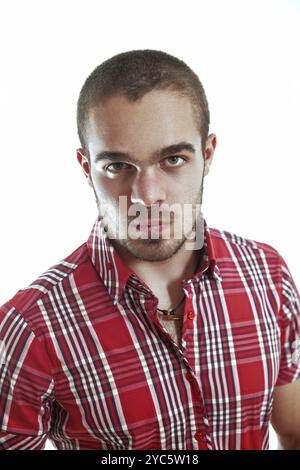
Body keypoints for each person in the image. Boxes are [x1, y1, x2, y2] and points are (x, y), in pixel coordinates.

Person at [0, 49, 299, 451]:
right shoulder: (28, 329)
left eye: (173, 159)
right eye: (118, 166)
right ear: (86, 168)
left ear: (207, 155)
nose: (147, 196)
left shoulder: (268, 274)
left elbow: (294, 430)